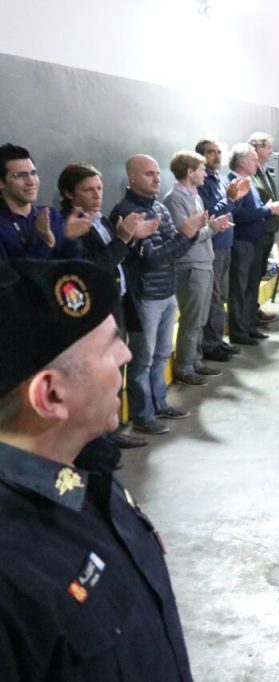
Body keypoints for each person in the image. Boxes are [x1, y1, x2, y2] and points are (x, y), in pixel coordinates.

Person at [0, 259, 193, 680]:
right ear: (50, 396)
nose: (126, 353)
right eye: (109, 346)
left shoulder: (89, 473)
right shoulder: (13, 573)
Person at [57, 163, 158, 450]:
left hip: (118, 302)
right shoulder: (70, 225)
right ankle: (99, 437)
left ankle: (112, 430)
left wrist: (135, 239)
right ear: (68, 193)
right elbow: (94, 268)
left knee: (115, 371)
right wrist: (124, 238)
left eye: (99, 188)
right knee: (97, 377)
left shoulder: (100, 220)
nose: (96, 195)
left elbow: (119, 257)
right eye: (88, 190)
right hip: (94, 312)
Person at [111, 155, 203, 436]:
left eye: (156, 173)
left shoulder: (159, 208)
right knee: (143, 359)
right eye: (149, 174)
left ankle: (159, 403)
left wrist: (187, 235)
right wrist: (184, 236)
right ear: (133, 178)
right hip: (145, 296)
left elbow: (174, 249)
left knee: (162, 353)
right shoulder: (128, 213)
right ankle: (142, 414)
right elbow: (152, 258)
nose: (156, 178)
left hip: (166, 291)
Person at [163, 151, 231, 386]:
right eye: (201, 169)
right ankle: (184, 367)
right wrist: (211, 228)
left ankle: (195, 361)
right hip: (190, 265)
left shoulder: (195, 196)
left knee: (201, 318)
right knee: (191, 320)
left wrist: (212, 226)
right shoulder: (175, 199)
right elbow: (186, 234)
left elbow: (199, 228)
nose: (205, 173)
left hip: (204, 261)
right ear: (190, 172)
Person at [225, 143, 279, 346]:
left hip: (254, 241)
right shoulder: (233, 183)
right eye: (253, 159)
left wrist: (266, 208)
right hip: (241, 242)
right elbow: (236, 214)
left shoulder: (249, 181)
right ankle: (239, 331)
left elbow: (255, 208)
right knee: (239, 289)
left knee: (251, 286)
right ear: (242, 162)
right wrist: (267, 211)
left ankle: (249, 324)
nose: (257, 162)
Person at [195, 139, 248, 363]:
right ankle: (210, 344)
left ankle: (217, 340)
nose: (216, 157)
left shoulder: (218, 178)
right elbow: (211, 213)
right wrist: (228, 199)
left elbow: (229, 209)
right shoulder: (202, 183)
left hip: (226, 243)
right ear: (200, 156)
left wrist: (234, 199)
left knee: (221, 296)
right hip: (213, 245)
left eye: (218, 152)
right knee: (214, 298)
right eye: (210, 153)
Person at [0, 143, 84, 261]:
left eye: (33, 173)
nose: (31, 181)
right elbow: (9, 276)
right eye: (20, 175)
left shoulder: (51, 216)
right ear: (1, 183)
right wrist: (45, 243)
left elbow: (72, 267)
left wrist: (72, 239)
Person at [247, 132, 279, 328]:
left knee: (259, 273)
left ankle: (254, 310)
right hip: (257, 231)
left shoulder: (265, 171)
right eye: (268, 147)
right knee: (251, 276)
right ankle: (249, 315)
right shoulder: (251, 175)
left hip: (268, 229)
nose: (271, 151)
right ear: (257, 148)